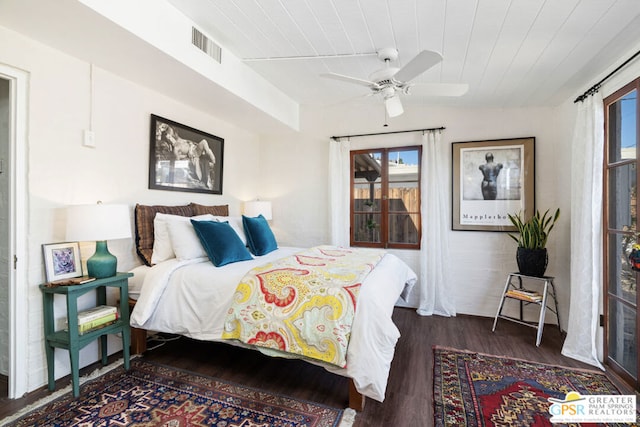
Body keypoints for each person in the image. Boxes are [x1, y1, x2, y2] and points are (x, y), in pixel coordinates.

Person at [156, 123, 217, 189]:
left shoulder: (180, 140)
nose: (170, 136)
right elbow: (178, 160)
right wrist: (188, 155)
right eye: (167, 135)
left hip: (195, 149)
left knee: (204, 142)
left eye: (169, 132)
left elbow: (190, 142)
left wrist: (192, 146)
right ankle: (205, 177)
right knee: (198, 167)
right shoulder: (175, 148)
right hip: (194, 154)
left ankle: (213, 160)